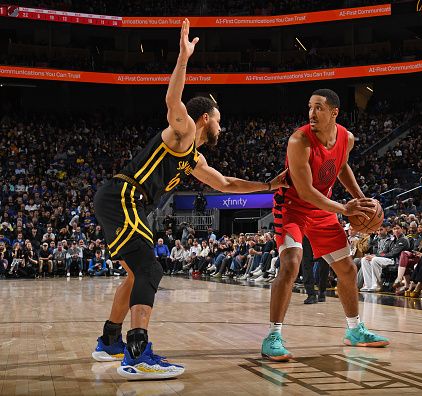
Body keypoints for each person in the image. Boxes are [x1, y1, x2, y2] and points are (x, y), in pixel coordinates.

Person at [91, 19, 288, 380]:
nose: (221, 128)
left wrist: (268, 184)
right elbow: (171, 99)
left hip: (122, 201)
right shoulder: (182, 133)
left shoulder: (194, 159)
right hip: (124, 197)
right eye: (218, 120)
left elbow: (226, 184)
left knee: (136, 275)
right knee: (151, 269)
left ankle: (109, 341)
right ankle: (136, 355)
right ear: (203, 119)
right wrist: (183, 58)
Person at [262, 88, 389, 362]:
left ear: (334, 112)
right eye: (309, 107)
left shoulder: (347, 138)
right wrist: (345, 209)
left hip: (322, 210)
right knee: (291, 263)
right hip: (292, 207)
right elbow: (305, 191)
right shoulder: (299, 141)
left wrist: (360, 198)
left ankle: (354, 330)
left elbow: (341, 167)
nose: (311, 113)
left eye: (318, 107)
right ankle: (273, 335)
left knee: (347, 268)